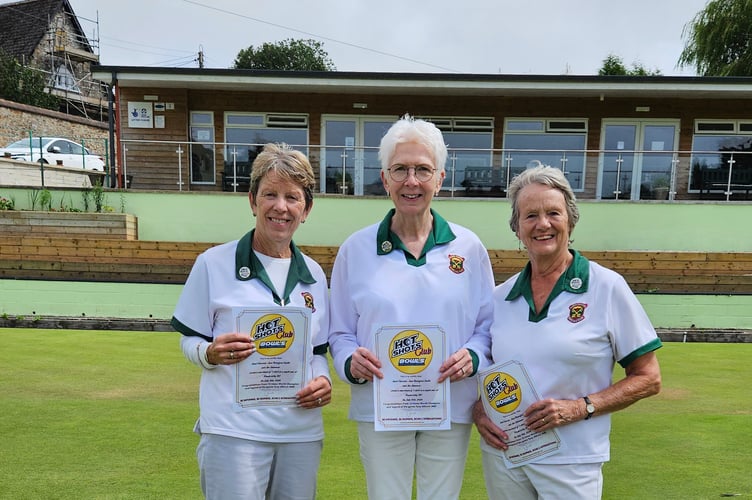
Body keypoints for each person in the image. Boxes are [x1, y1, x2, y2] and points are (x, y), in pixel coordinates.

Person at [328, 115, 495, 499]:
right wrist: (350, 360)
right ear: (385, 178)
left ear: (440, 178)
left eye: (422, 169)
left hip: (449, 404)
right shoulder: (356, 249)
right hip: (380, 405)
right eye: (400, 169)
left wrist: (472, 355)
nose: (411, 181)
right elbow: (338, 332)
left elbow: (488, 327)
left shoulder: (468, 248)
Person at [473, 165, 662, 499]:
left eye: (553, 213)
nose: (542, 224)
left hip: (572, 460)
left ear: (570, 220)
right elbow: (487, 371)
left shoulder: (606, 287)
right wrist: (478, 411)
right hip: (506, 455)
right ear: (517, 228)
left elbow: (648, 377)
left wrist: (579, 408)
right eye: (530, 215)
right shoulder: (501, 297)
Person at [171, 143, 331, 500]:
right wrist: (210, 353)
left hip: (299, 433)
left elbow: (317, 351)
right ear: (252, 201)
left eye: (292, 197)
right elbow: (189, 340)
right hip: (233, 432)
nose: (281, 207)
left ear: (306, 209)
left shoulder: (315, 276)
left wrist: (322, 379)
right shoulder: (213, 263)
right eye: (270, 194)